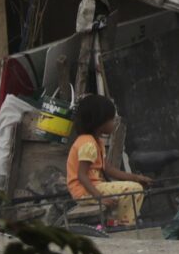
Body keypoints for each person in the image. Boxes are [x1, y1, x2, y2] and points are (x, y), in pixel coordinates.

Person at [64, 93, 154, 227]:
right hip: (85, 191)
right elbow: (81, 175)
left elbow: (108, 169)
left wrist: (135, 177)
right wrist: (100, 197)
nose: (114, 123)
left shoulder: (96, 142)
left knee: (134, 186)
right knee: (133, 189)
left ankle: (116, 222)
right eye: (111, 120)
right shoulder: (87, 144)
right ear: (100, 123)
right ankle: (125, 225)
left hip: (93, 188)